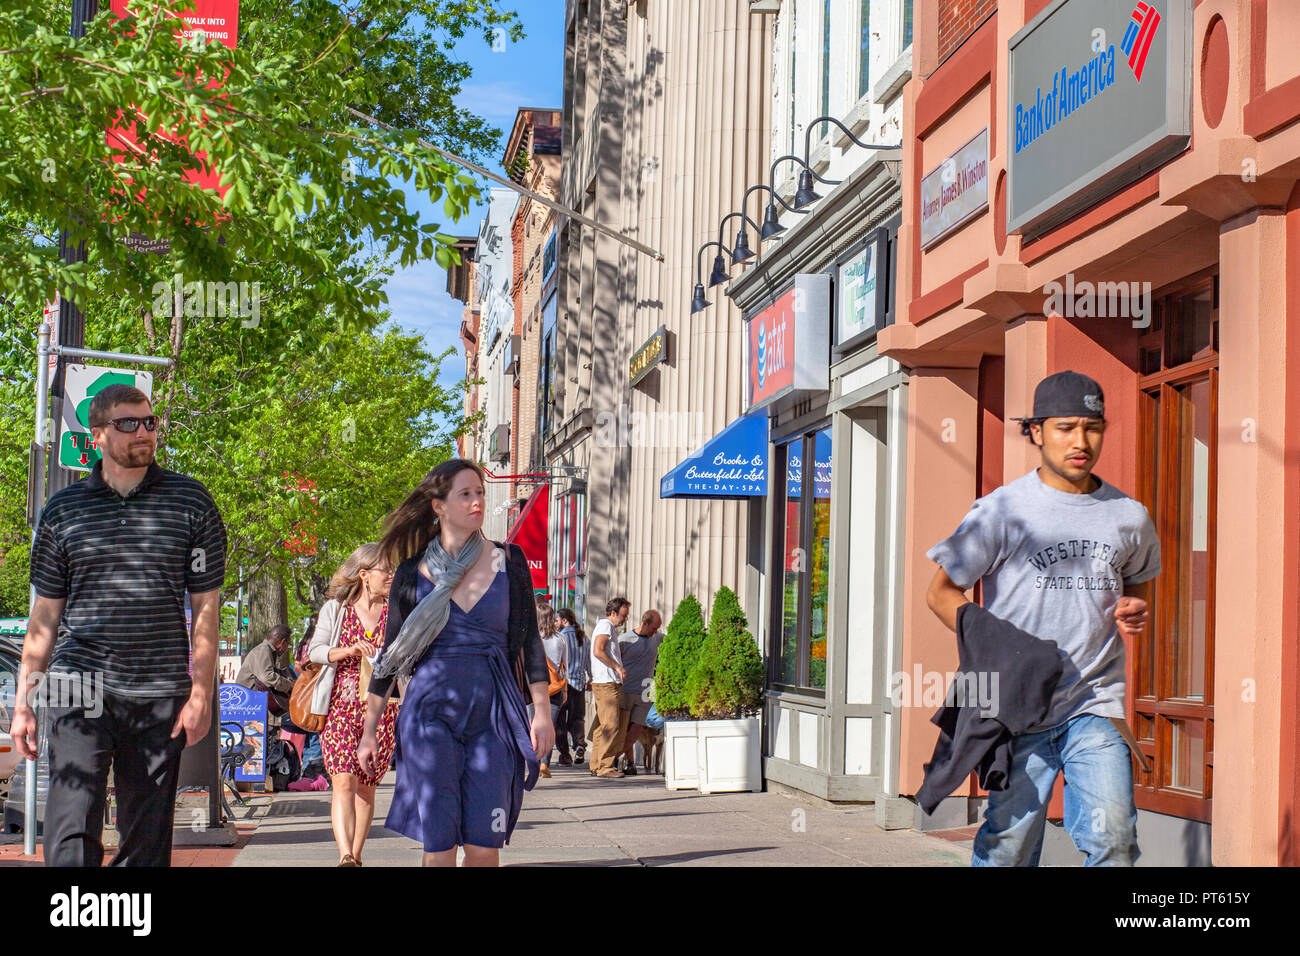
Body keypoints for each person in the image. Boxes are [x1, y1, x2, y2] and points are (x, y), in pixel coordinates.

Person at [925, 371, 1160, 867]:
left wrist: (1133, 606)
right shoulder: (1003, 511)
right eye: (1065, 427)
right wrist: (995, 642)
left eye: (1093, 427)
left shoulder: (1129, 515)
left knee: (1115, 839)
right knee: (1009, 846)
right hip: (1017, 706)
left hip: (1094, 701)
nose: (1081, 441)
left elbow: (1137, 580)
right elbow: (941, 593)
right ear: (1035, 432)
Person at [10, 384, 226, 866]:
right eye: (129, 424)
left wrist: (200, 694)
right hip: (76, 681)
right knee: (71, 822)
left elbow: (206, 609)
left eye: (149, 422)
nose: (144, 432)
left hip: (159, 687)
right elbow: (45, 616)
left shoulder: (191, 502)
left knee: (147, 834)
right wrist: (23, 703)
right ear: (99, 435)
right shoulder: (64, 511)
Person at [358, 459, 553, 867]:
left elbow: (530, 642)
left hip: (494, 712)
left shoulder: (510, 561)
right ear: (438, 506)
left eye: (480, 492)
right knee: (440, 846)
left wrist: (541, 712)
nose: (477, 501)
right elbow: (390, 658)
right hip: (429, 715)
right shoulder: (412, 574)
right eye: (465, 494)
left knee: (484, 846)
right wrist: (370, 731)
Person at [308, 542, 396, 866]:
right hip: (341, 707)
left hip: (383, 710)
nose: (391, 574)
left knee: (367, 788)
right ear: (364, 575)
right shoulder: (336, 609)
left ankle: (356, 855)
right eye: (385, 569)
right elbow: (315, 651)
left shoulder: (396, 610)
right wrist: (345, 650)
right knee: (343, 779)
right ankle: (344, 855)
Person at [588, 597, 632, 778]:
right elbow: (598, 650)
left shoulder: (606, 627)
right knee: (611, 725)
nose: (625, 619)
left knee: (603, 725)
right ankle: (605, 766)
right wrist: (617, 667)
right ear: (613, 613)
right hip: (606, 683)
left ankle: (596, 764)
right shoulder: (605, 626)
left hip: (606, 682)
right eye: (623, 615)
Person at [616, 610, 663, 775]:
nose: (656, 631)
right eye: (654, 627)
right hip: (625, 689)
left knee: (637, 728)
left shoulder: (657, 639)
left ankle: (614, 756)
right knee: (625, 728)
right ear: (645, 623)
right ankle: (629, 763)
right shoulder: (624, 640)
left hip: (645, 691)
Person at [534, 602, 567, 777]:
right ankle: (544, 763)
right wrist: (565, 691)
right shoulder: (561, 639)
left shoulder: (532, 638)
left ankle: (534, 760)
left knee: (532, 725)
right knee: (550, 726)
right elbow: (564, 667)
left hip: (533, 689)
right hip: (554, 688)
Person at [235, 624, 296, 717]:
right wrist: (289, 685)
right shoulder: (263, 650)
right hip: (247, 702)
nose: (287, 648)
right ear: (283, 642)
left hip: (252, 701)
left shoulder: (267, 651)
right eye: (288, 644)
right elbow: (267, 676)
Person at [554, 608, 587, 765]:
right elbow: (588, 660)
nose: (556, 623)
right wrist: (591, 677)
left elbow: (557, 661)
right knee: (577, 718)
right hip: (579, 684)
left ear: (564, 621)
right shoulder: (583, 636)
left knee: (560, 720)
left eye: (557, 620)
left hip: (563, 684)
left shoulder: (561, 637)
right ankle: (580, 744)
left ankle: (565, 754)